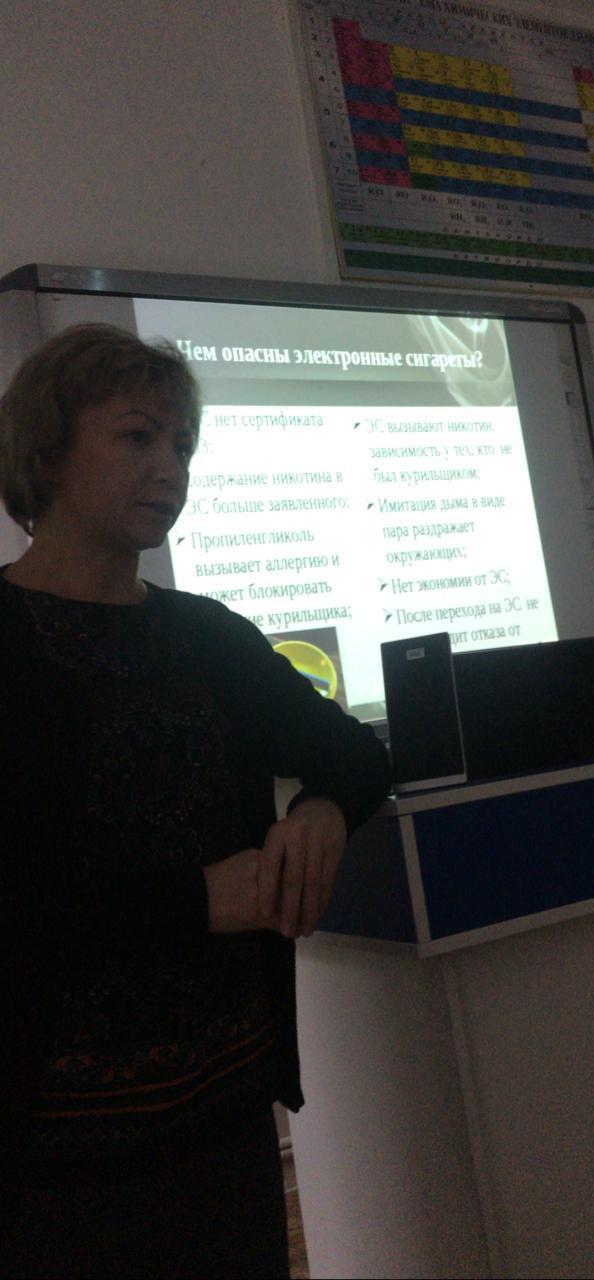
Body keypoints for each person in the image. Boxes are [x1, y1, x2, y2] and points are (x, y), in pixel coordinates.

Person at [0, 323, 391, 1278]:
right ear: (46, 452)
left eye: (182, 444)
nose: (170, 468)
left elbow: (350, 754)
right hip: (49, 1148)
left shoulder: (208, 636)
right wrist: (197, 898)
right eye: (137, 437)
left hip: (224, 1114)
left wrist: (322, 809)